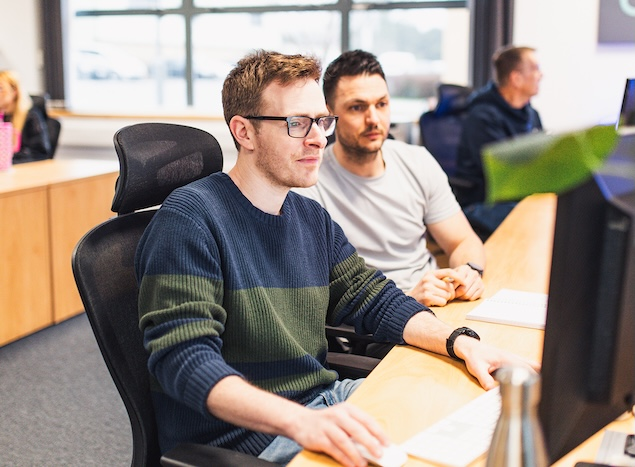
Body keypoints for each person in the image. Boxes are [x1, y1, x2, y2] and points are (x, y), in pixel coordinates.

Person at [135, 49, 539, 467]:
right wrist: (301, 422)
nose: (318, 138)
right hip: (248, 440)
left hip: (322, 403)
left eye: (321, 121)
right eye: (297, 124)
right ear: (245, 132)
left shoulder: (308, 215)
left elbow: (375, 298)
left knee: (462, 411)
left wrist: (460, 343)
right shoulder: (190, 221)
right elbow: (183, 360)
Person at [296, 49, 486, 308]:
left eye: (381, 104)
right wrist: (405, 301)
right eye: (357, 107)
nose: (374, 119)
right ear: (329, 115)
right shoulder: (310, 185)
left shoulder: (417, 161)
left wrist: (469, 271)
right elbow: (319, 295)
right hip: (377, 322)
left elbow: (463, 240)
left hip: (439, 302)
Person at [455, 45, 543, 236]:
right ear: (516, 78)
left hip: (517, 197)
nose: (540, 75)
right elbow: (502, 170)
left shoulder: (531, 115)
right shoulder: (482, 116)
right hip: (484, 201)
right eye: (535, 68)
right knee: (537, 223)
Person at [0, 70, 52, 164]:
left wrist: (9, 161)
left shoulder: (30, 116)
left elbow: (39, 154)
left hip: (22, 170)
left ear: (14, 91)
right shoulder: (2, 117)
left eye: (1, 88)